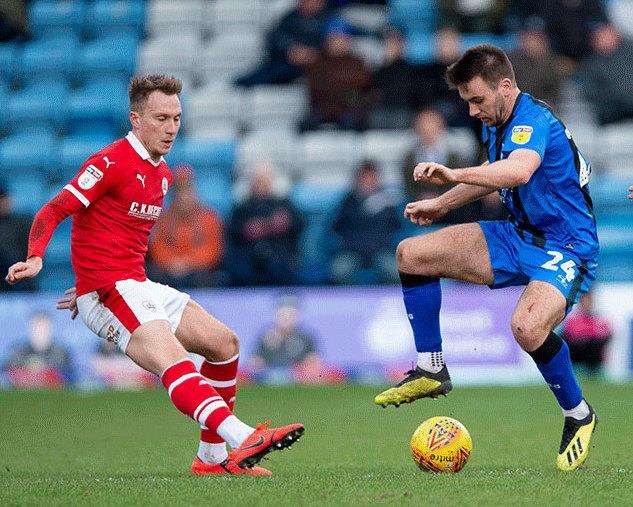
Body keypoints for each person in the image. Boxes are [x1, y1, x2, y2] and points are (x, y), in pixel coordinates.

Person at [5, 74, 304, 477]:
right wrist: (38, 257)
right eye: (161, 118)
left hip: (133, 284)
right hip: (111, 290)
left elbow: (116, 235)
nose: (171, 128)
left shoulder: (162, 175)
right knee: (176, 361)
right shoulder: (109, 163)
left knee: (223, 344)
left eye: (177, 118)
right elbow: (53, 210)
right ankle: (244, 436)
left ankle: (211, 460)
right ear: (136, 119)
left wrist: (89, 278)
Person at [374, 45, 599, 472]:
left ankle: (578, 413)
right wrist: (443, 203)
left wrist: (453, 174)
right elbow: (493, 173)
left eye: (477, 100)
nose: (473, 110)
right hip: (517, 235)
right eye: (467, 102)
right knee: (412, 254)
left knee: (527, 326)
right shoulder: (498, 121)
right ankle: (430, 367)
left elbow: (517, 172)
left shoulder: (533, 120)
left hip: (566, 245)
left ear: (506, 86)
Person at [148, 165, 225, 288]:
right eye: (179, 192)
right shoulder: (162, 220)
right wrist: (172, 263)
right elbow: (157, 248)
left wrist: (188, 262)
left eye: (187, 191)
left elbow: (213, 250)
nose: (183, 197)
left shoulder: (209, 218)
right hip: (169, 271)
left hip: (198, 272)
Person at [228, 163, 304, 286]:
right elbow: (233, 232)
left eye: (264, 180)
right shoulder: (242, 208)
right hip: (249, 258)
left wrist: (284, 223)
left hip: (279, 256)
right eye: (258, 181)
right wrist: (253, 229)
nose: (261, 185)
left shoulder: (283, 204)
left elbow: (299, 224)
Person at [331, 160, 400, 283]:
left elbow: (396, 228)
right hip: (352, 251)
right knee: (339, 271)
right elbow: (336, 228)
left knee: (396, 272)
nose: (368, 181)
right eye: (364, 177)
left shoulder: (388, 201)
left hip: (381, 251)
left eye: (371, 177)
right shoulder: (348, 201)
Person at [234, 0, 330, 88]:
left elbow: (332, 44)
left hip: (317, 65)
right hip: (289, 61)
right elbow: (277, 37)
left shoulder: (328, 19)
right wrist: (291, 49)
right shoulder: (291, 17)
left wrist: (311, 54)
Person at [301, 17, 372, 131]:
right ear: (327, 41)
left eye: (342, 38)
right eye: (335, 38)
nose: (339, 42)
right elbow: (317, 90)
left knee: (355, 122)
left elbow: (362, 89)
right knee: (306, 125)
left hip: (349, 111)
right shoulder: (317, 63)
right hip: (323, 110)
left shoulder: (356, 62)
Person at [578, 24, 633, 125]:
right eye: (600, 37)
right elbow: (590, 92)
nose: (605, 39)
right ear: (594, 41)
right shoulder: (591, 64)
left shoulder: (629, 51)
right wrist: (619, 97)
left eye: (607, 34)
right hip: (613, 114)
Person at [4, 311, 76, 388]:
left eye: (44, 328)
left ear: (51, 329)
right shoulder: (17, 352)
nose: (40, 332)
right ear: (30, 329)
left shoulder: (62, 353)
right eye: (37, 327)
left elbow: (71, 380)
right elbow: (7, 377)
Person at [562, 290, 612, 376]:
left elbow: (607, 335)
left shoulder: (598, 320)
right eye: (584, 301)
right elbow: (566, 336)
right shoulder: (572, 320)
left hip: (593, 355)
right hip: (576, 353)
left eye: (589, 301)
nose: (586, 304)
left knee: (594, 345)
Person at [0, 184, 36, 292]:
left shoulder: (23, 223)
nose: (3, 203)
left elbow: (32, 252)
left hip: (20, 279)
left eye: (4, 199)